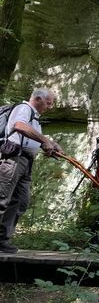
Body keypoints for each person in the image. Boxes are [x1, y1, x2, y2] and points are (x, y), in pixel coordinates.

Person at [0, 88, 63, 253]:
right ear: (38, 99)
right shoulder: (24, 108)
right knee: (2, 199)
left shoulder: (35, 117)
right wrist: (44, 141)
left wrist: (50, 145)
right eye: (48, 103)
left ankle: (2, 239)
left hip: (26, 162)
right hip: (14, 160)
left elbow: (33, 139)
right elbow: (19, 126)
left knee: (21, 201)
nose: (49, 107)